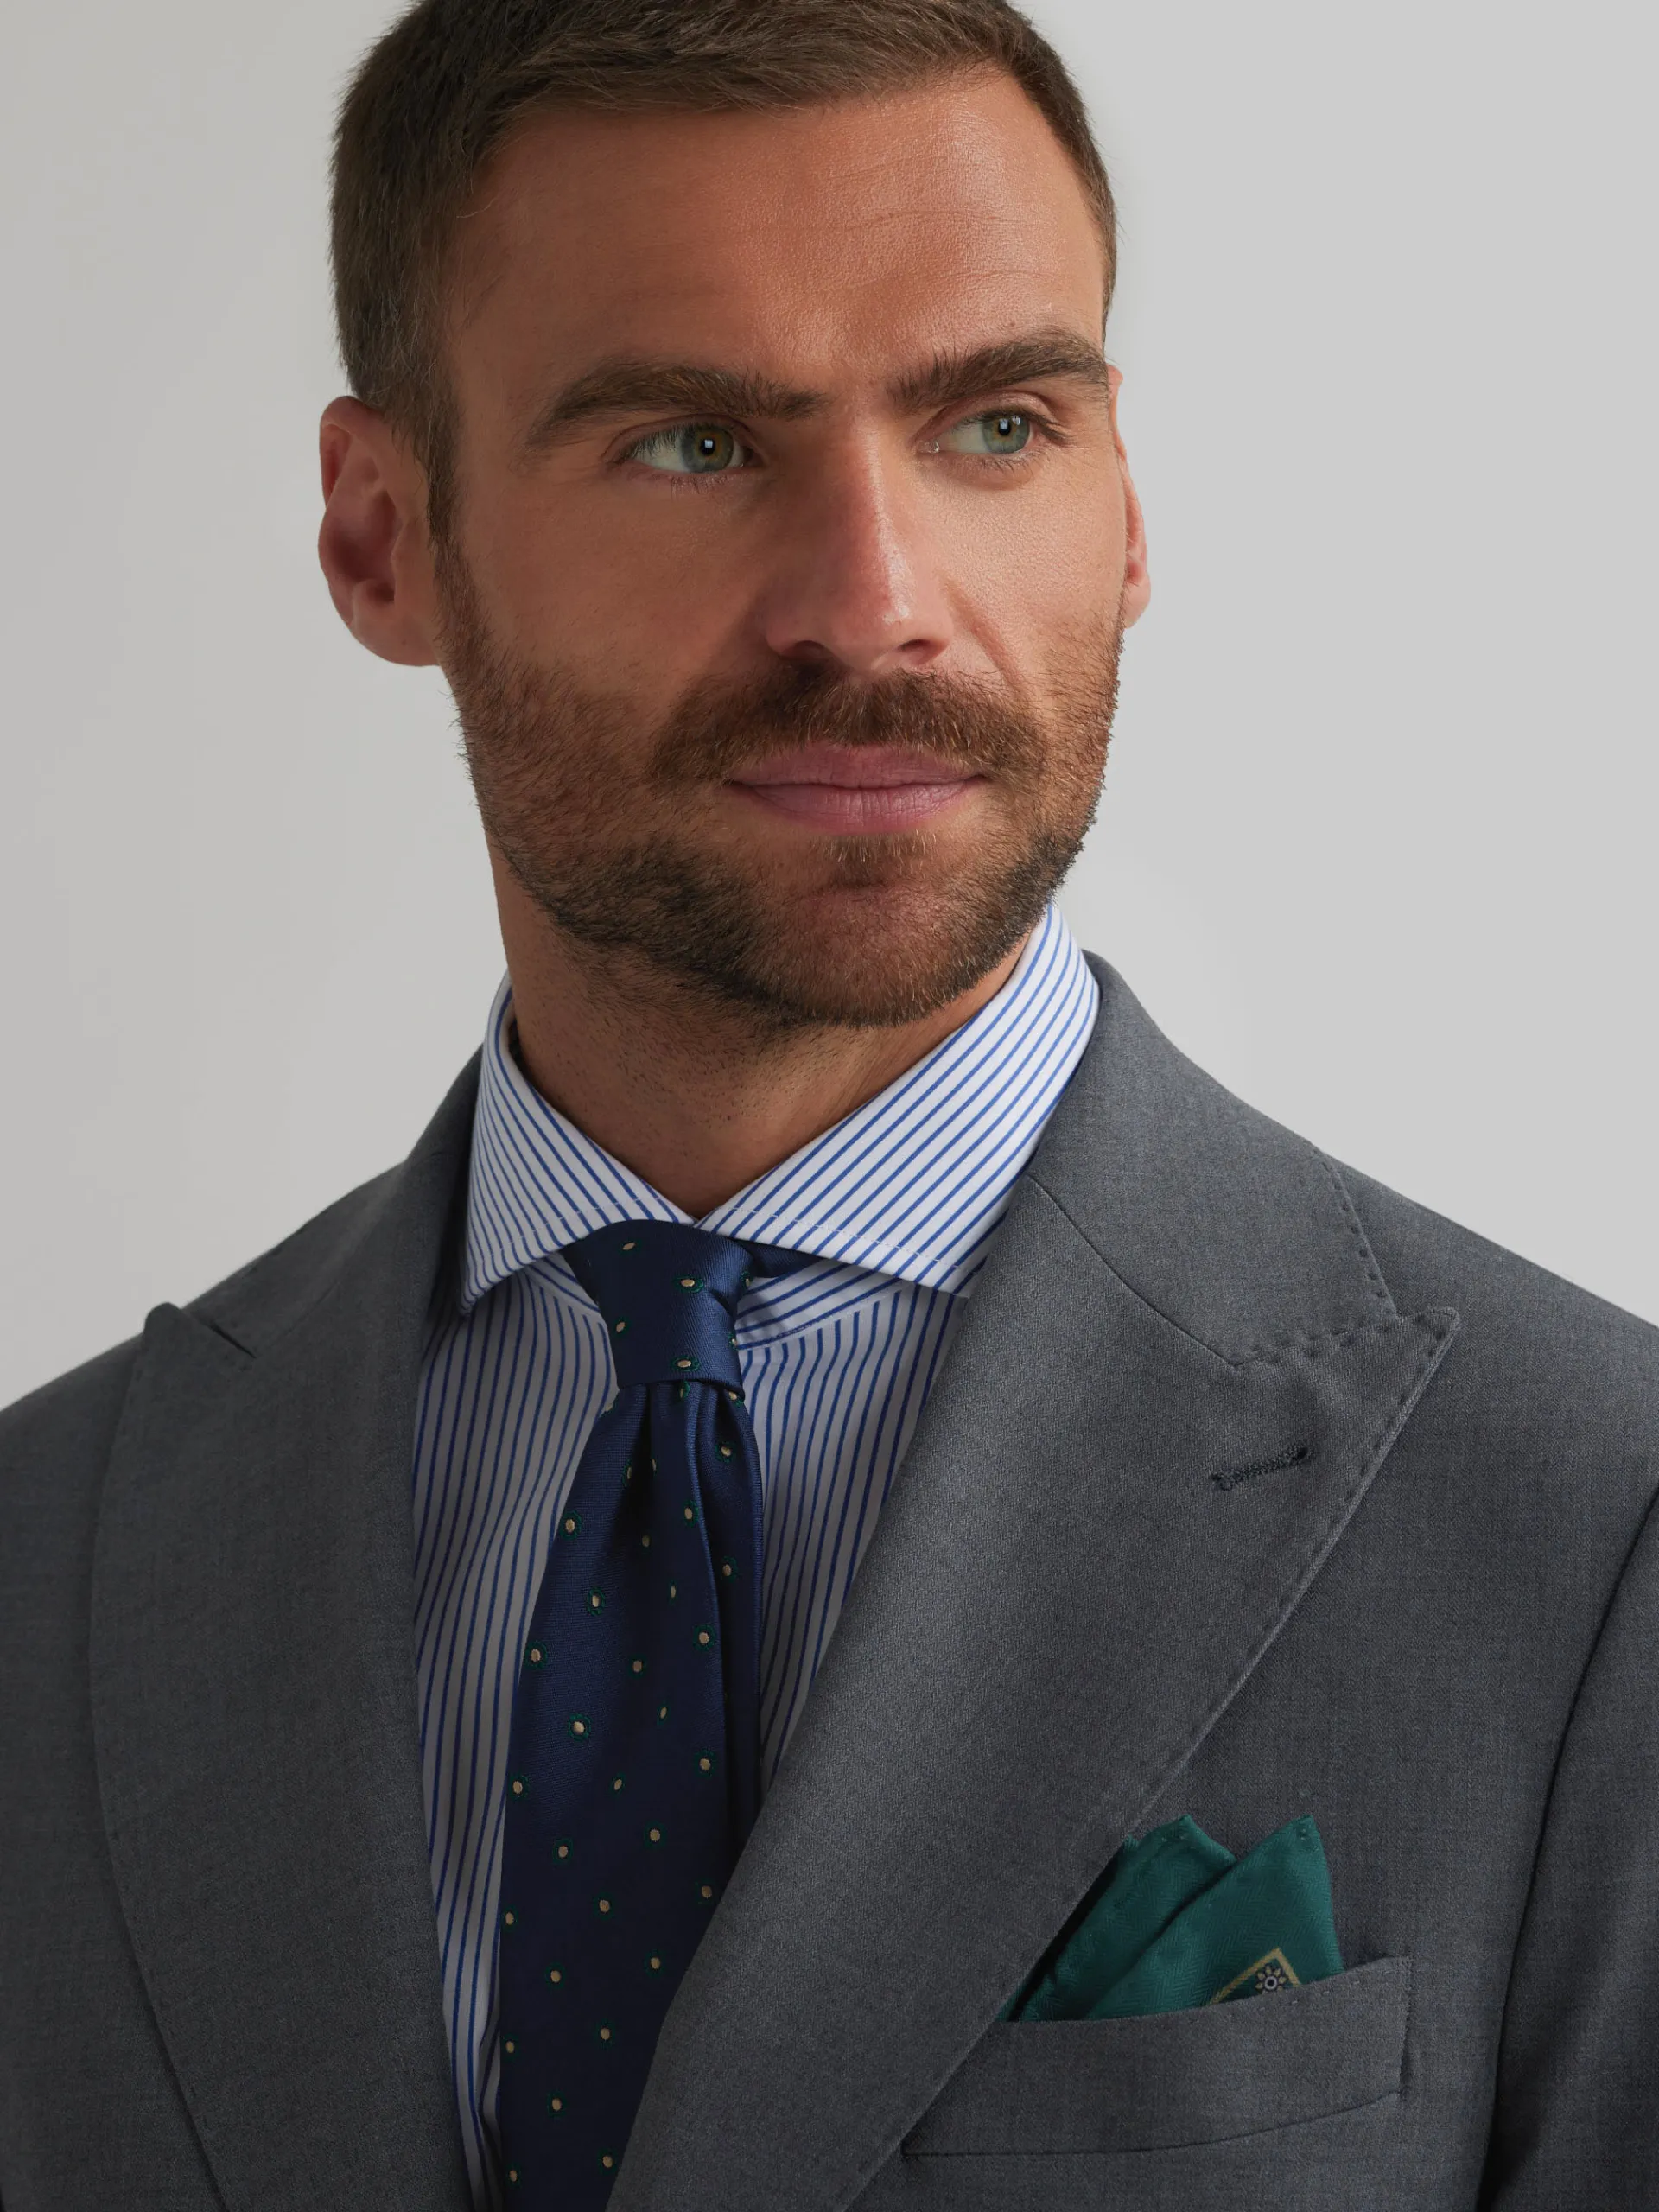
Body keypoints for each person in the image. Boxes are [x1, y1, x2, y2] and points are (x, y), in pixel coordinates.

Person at [2, 1, 1656, 2206]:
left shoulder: (1596, 1527)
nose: (877, 603)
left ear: (1125, 507)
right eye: (694, 441)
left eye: (995, 425)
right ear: (385, 537)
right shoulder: (50, 1554)